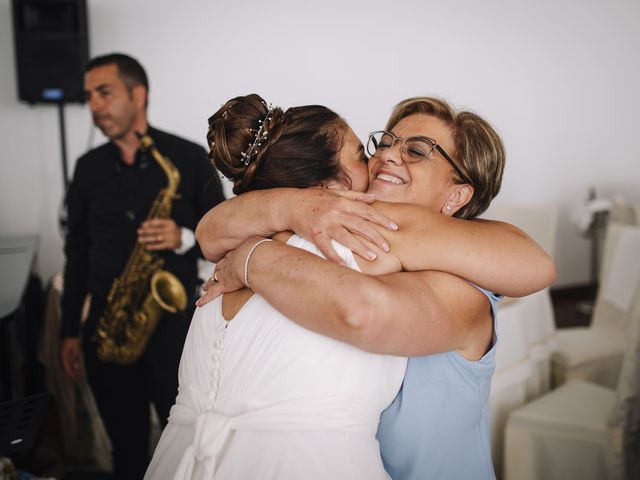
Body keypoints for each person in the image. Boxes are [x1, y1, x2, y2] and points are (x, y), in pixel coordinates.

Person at [147, 94, 554, 479]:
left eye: (416, 150)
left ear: (456, 195)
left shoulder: (463, 285)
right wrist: (287, 208)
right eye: (385, 142)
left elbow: (536, 265)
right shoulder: (342, 239)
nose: (386, 155)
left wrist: (254, 256)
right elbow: (211, 232)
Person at [59, 53, 225, 479]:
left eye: (104, 92)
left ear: (138, 94)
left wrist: (185, 237)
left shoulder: (188, 159)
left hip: (173, 329)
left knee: (186, 448)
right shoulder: (87, 168)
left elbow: (228, 238)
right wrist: (68, 333)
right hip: (107, 328)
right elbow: (76, 252)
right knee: (127, 453)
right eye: (89, 96)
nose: (94, 105)